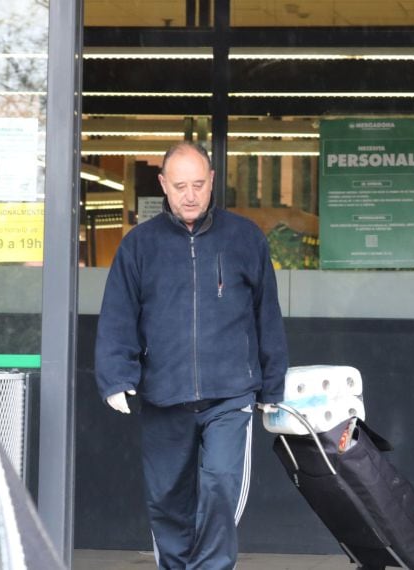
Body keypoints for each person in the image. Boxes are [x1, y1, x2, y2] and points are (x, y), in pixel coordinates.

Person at [94, 142, 288, 570]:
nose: (190, 195)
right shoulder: (139, 246)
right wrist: (116, 376)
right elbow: (119, 314)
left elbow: (266, 315)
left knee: (220, 485)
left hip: (230, 394)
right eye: (179, 185)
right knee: (167, 498)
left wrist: (272, 385)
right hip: (164, 394)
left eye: (198, 184)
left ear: (212, 180)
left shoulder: (244, 238)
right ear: (163, 184)